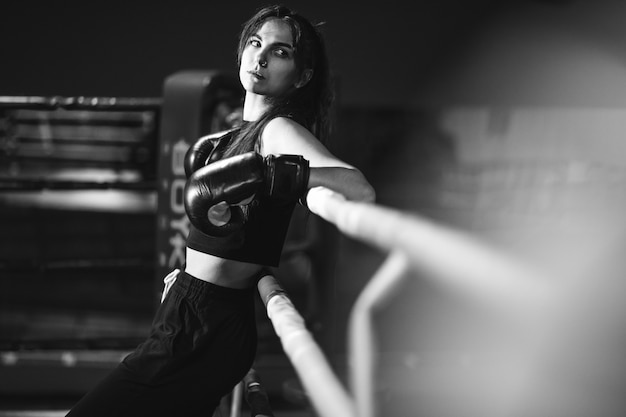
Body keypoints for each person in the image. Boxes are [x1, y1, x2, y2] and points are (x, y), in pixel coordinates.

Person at [66, 4, 375, 416]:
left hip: (207, 324)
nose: (261, 57)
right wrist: (186, 282)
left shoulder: (278, 130)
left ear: (302, 77)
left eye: (281, 52)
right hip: (190, 309)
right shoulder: (233, 136)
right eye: (255, 43)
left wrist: (280, 174)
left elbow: (359, 189)